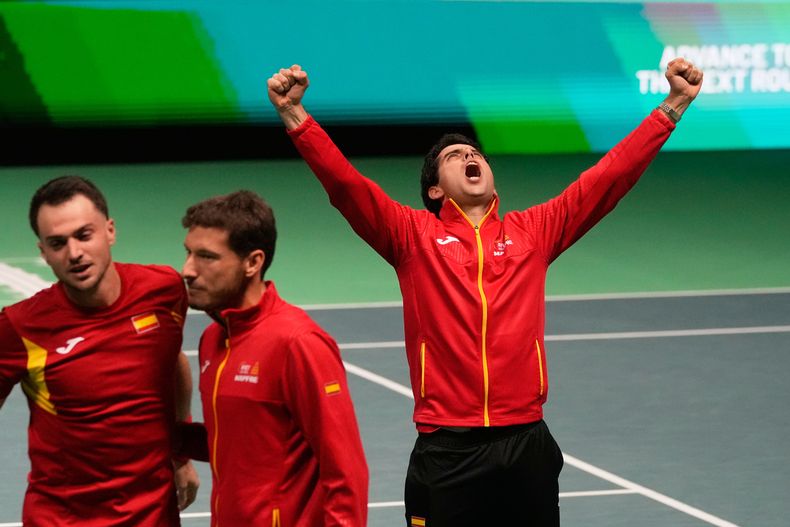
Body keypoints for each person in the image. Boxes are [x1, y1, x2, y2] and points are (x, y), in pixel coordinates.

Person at [266, 59, 703, 526]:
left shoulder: (534, 232)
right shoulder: (411, 237)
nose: (469, 157)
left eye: (475, 154)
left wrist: (673, 106)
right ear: (435, 191)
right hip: (447, 449)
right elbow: (346, 185)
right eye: (454, 157)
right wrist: (295, 115)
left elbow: (609, 179)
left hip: (526, 444)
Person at [0, 176, 199, 526]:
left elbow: (171, 360)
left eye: (84, 235)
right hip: (64, 519)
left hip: (153, 514)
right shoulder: (20, 327)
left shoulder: (163, 290)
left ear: (109, 231)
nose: (74, 253)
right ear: (43, 253)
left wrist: (181, 455)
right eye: (58, 243)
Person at [180, 190, 368, 526]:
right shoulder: (214, 338)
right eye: (188, 253)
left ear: (253, 262)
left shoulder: (298, 344)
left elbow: (346, 470)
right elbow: (239, 440)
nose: (188, 270)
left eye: (206, 257)